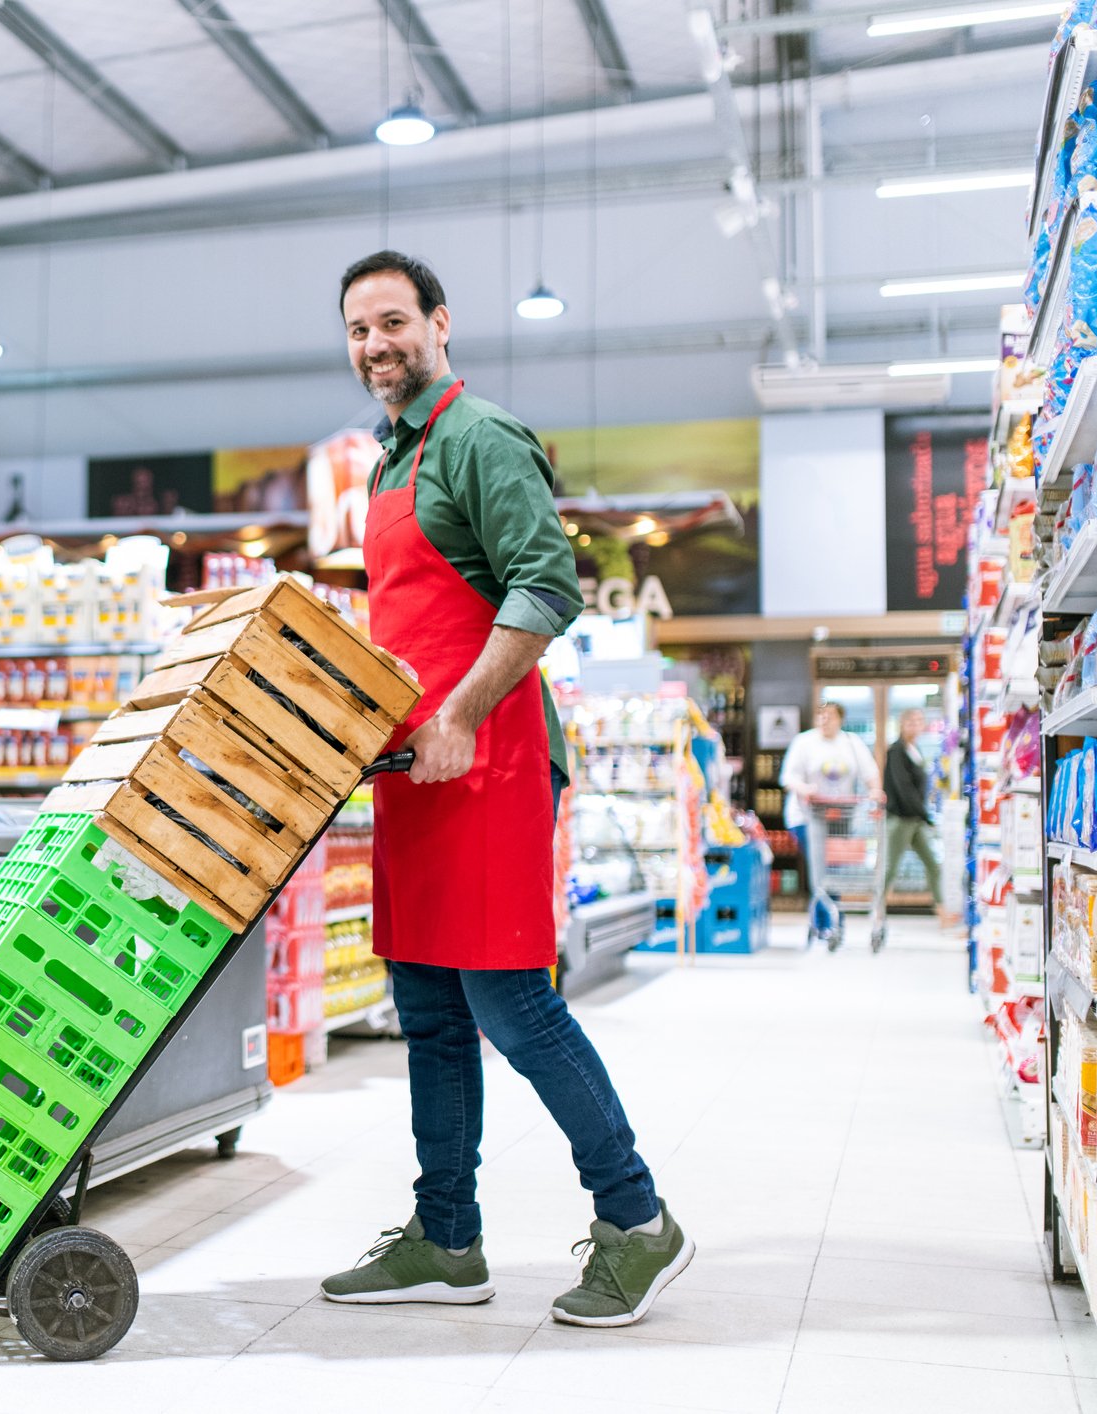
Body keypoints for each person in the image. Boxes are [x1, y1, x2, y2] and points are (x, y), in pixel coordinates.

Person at [318, 251, 693, 1328]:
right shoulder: (388, 466)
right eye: (358, 330)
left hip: (486, 763)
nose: (377, 344)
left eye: (394, 321)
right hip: (414, 774)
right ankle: (446, 1235)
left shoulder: (480, 437)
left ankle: (637, 1217)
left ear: (439, 322)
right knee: (429, 1017)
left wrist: (461, 717)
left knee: (514, 1005)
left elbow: (546, 587)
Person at [781, 702, 883, 945]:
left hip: (841, 817)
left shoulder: (851, 743)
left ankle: (831, 920)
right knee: (821, 869)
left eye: (830, 716)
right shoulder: (804, 742)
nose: (824, 720)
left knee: (833, 869)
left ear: (840, 719)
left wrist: (876, 792)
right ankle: (827, 923)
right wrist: (805, 789)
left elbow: (871, 773)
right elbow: (788, 777)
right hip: (807, 816)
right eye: (821, 715)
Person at [880, 708, 957, 928]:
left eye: (919, 721)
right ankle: (877, 913)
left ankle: (942, 915)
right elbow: (903, 789)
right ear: (902, 724)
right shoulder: (896, 751)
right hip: (900, 820)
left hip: (915, 820)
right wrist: (926, 814)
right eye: (911, 721)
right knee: (889, 869)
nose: (915, 725)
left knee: (933, 865)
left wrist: (923, 815)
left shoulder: (915, 749)